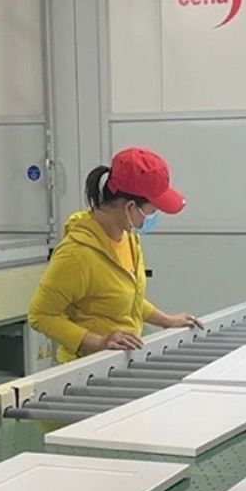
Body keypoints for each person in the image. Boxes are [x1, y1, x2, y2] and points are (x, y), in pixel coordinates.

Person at [28, 147, 203, 363]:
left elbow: (129, 299)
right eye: (152, 211)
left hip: (121, 362)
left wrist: (166, 320)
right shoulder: (77, 255)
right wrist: (98, 342)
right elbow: (40, 316)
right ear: (130, 207)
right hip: (85, 369)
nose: (153, 218)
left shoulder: (128, 238)